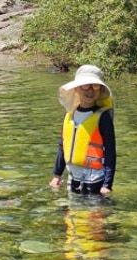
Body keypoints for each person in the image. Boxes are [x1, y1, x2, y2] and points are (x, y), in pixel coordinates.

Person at [49, 64, 116, 195]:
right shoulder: (69, 115)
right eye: (85, 86)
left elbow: (110, 151)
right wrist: (57, 175)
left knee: (94, 208)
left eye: (95, 86)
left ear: (100, 90)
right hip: (72, 178)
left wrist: (107, 184)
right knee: (71, 208)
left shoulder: (103, 118)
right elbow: (63, 146)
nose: (90, 90)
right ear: (76, 89)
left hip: (96, 181)